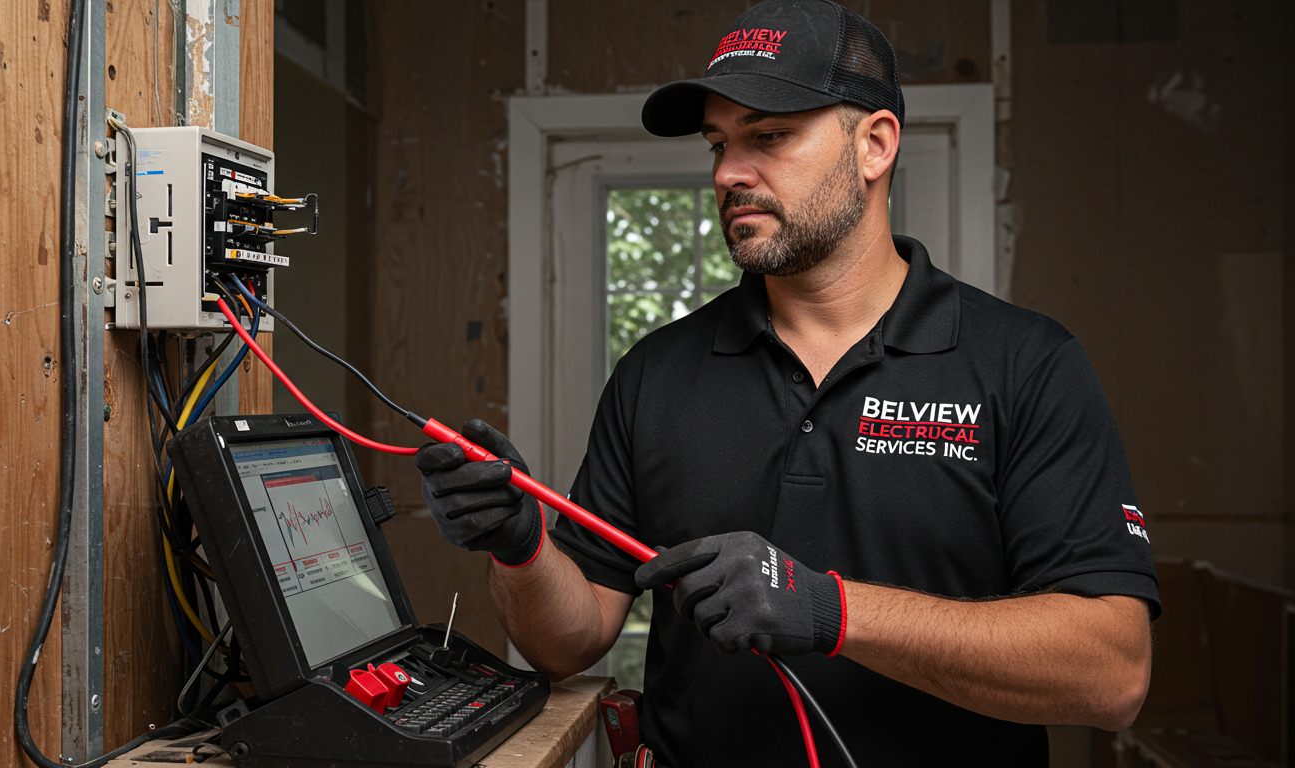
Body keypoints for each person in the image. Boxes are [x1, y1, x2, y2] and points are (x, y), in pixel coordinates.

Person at [415, 1, 1158, 764]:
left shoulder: (1025, 364)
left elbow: (1111, 672)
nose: (729, 173)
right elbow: (567, 644)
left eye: (768, 136)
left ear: (874, 145)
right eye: (718, 143)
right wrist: (520, 547)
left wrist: (831, 612)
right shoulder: (658, 372)